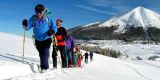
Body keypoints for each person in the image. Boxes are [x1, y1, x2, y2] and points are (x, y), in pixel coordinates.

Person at [22, 4, 57, 72]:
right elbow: (28, 27)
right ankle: (43, 64)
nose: (38, 14)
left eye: (40, 12)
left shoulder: (48, 18)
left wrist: (52, 31)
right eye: (37, 12)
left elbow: (54, 27)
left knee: (45, 51)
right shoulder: (34, 18)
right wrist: (25, 25)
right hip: (37, 40)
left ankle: (45, 68)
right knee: (41, 53)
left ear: (43, 11)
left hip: (46, 39)